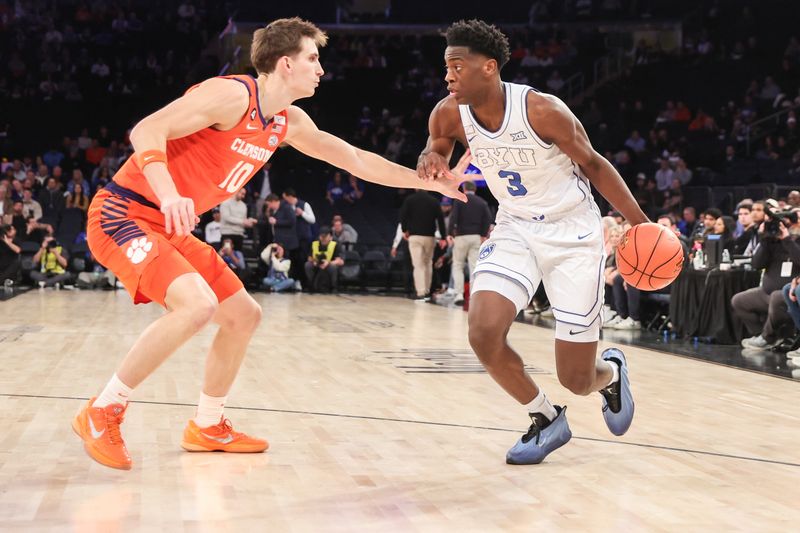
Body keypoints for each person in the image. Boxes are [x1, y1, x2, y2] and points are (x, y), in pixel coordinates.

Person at [76, 17, 468, 471]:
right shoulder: (231, 96)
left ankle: (207, 424)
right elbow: (146, 129)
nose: (321, 69)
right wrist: (168, 193)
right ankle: (103, 410)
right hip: (123, 213)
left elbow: (357, 160)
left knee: (243, 315)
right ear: (286, 63)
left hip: (167, 227)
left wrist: (429, 184)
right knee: (197, 307)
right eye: (313, 58)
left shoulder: (286, 120)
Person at [417, 20, 647, 465]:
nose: (448, 76)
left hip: (573, 233)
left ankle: (610, 375)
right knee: (483, 333)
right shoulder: (448, 111)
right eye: (446, 67)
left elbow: (596, 166)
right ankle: (545, 418)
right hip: (515, 227)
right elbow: (439, 140)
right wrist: (434, 154)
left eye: (457, 67)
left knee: (577, 378)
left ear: (488, 68)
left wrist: (639, 223)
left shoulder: (542, 110)